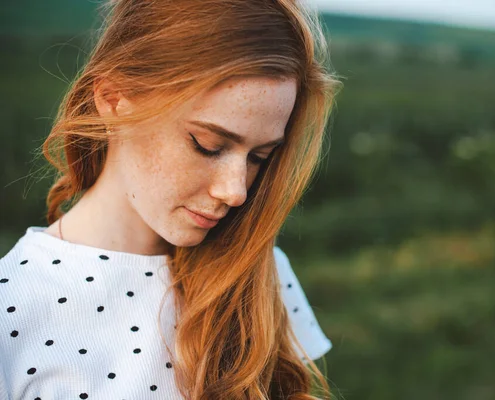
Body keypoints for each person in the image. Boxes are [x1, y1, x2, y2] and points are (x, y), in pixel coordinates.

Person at [0, 0, 343, 398]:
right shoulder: (12, 307)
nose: (235, 191)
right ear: (113, 100)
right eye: (207, 145)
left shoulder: (260, 274)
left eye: (258, 158)